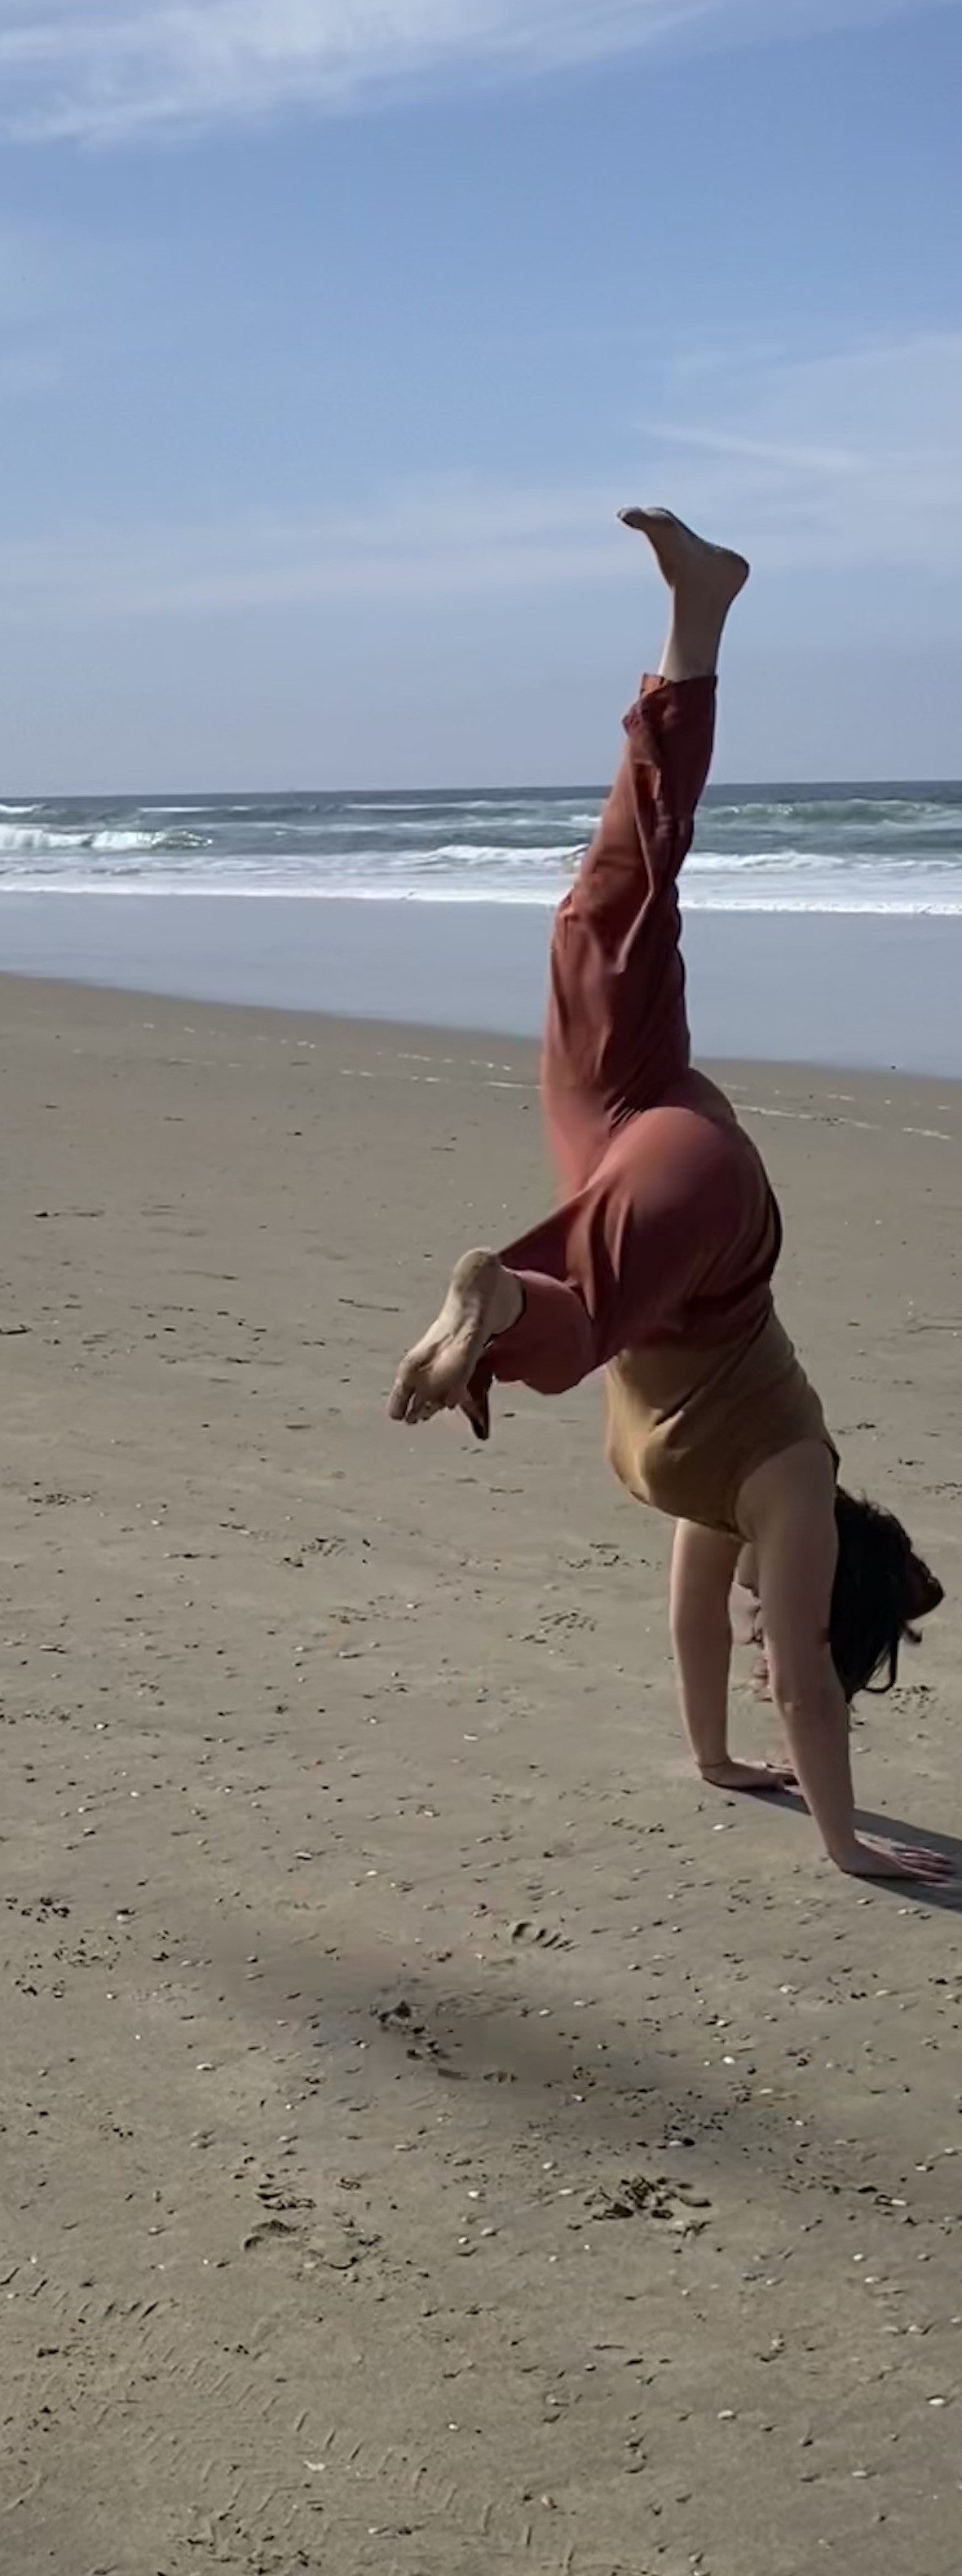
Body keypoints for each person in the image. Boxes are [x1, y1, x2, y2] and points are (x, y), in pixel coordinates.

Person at [387, 511, 945, 1884]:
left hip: (632, 1125)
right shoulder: (789, 1493)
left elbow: (708, 1640)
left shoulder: (727, 1509)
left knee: (608, 901)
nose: (769, 1630)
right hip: (697, 1208)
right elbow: (801, 1683)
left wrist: (708, 1760)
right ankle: (512, 1298)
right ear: (830, 1584)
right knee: (585, 1320)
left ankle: (695, 619)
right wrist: (846, 1842)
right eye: (797, 1616)